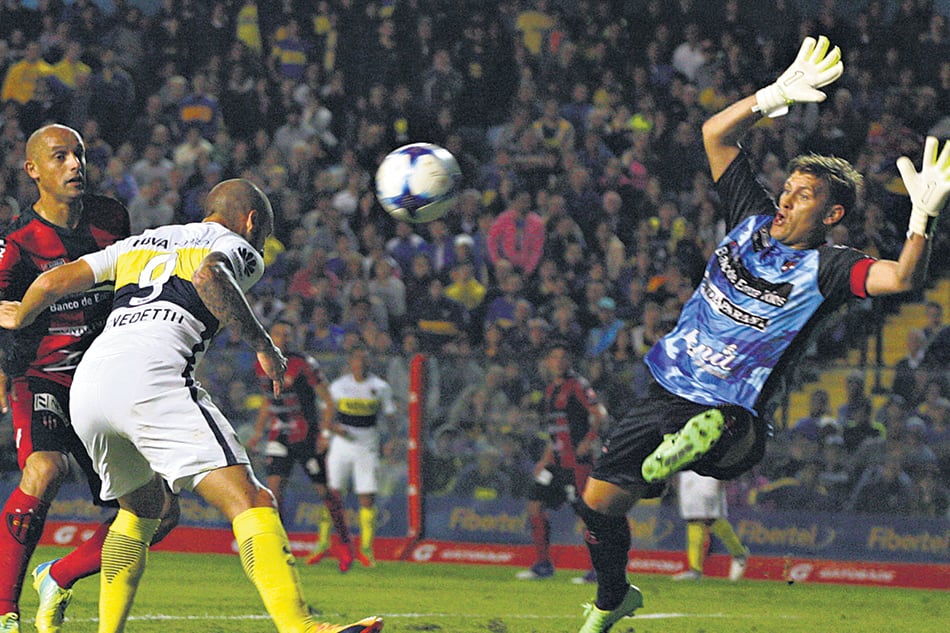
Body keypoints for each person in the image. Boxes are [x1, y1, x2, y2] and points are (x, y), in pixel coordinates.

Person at [572, 36, 950, 633]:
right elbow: (715, 134)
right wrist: (770, 96)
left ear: (830, 216)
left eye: (803, 195)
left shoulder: (829, 268)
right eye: (788, 187)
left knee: (717, 429)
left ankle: (697, 442)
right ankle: (614, 595)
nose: (785, 197)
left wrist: (922, 219)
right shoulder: (749, 218)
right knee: (594, 510)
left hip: (737, 418)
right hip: (667, 387)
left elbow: (902, 277)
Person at [0, 178, 383, 633]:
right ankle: (302, 628)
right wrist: (263, 344)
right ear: (252, 221)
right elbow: (208, 276)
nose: (260, 244)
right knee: (251, 498)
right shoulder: (235, 244)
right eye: (263, 233)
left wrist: (21, 313)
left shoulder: (143, 240)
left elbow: (53, 280)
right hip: (152, 379)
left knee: (142, 509)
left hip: (91, 385)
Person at [0, 123, 178, 633]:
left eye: (78, 155)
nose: (76, 164)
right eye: (60, 157)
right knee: (44, 470)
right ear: (33, 170)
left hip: (104, 382)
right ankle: (4, 611)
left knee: (161, 513)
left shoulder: (109, 217)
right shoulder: (17, 242)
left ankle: (57, 575)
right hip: (45, 380)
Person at [247, 321, 355, 573]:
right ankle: (279, 549)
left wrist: (325, 434)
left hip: (306, 435)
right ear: (269, 336)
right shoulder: (260, 362)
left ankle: (345, 544)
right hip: (279, 435)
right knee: (273, 493)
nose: (282, 338)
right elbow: (267, 400)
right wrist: (257, 432)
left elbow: (328, 400)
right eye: (277, 334)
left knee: (324, 492)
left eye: (287, 334)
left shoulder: (303, 363)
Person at [516, 341, 606, 584]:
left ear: (569, 361)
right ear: (547, 361)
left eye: (563, 357)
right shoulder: (549, 390)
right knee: (534, 503)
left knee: (586, 513)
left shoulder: (577, 384)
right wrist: (545, 458)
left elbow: (600, 414)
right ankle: (543, 564)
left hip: (576, 462)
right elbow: (554, 429)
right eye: (554, 357)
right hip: (555, 462)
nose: (558, 362)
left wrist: (588, 440)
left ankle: (600, 569)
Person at [324, 344, 397, 568]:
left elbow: (391, 416)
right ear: (351, 362)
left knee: (367, 497)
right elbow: (327, 415)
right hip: (341, 446)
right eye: (357, 359)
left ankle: (366, 549)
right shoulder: (339, 386)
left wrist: (393, 440)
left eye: (365, 359)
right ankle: (323, 543)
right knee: (333, 495)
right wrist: (332, 430)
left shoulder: (380, 387)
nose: (361, 363)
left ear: (369, 362)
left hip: (368, 446)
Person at [671, 470, 749, 582]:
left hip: (709, 470)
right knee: (692, 519)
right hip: (689, 472)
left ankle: (739, 554)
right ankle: (695, 570)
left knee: (711, 518)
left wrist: (724, 475)